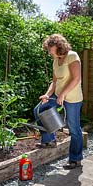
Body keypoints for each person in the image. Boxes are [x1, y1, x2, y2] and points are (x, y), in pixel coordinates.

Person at [34, 33, 83, 169]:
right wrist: (47, 94)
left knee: (73, 128)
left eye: (51, 47)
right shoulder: (55, 60)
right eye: (48, 47)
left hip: (72, 97)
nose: (49, 50)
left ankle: (75, 159)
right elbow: (54, 82)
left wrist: (62, 95)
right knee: (39, 109)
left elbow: (76, 79)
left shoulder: (72, 56)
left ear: (59, 46)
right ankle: (49, 140)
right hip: (58, 94)